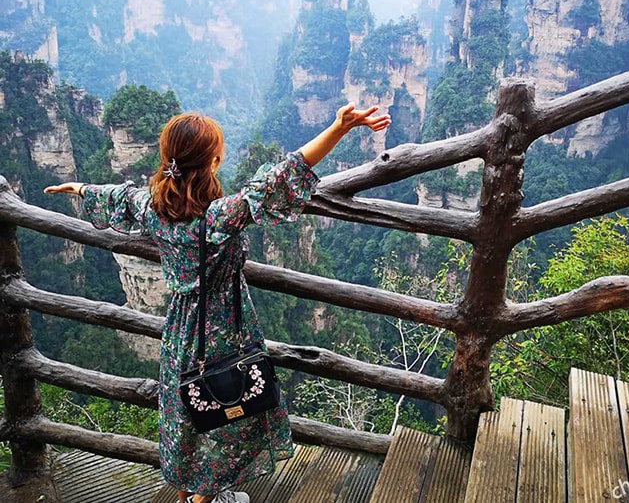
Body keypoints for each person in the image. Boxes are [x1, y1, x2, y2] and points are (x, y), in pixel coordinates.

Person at [44, 104, 391, 503]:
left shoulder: (154, 208)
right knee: (231, 409)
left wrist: (81, 189)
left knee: (189, 411)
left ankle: (189, 493)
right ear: (213, 161)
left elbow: (122, 198)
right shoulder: (218, 218)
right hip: (226, 327)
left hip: (179, 329)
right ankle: (205, 497)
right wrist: (337, 129)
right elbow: (281, 176)